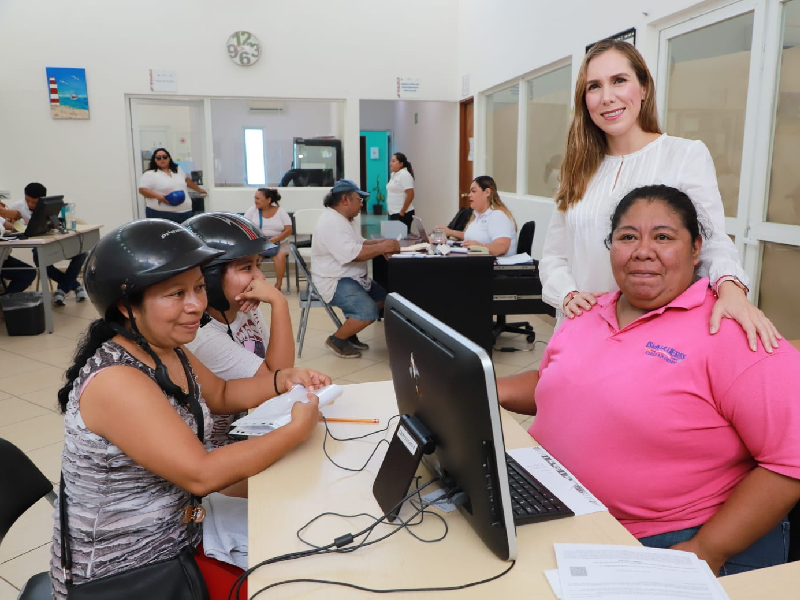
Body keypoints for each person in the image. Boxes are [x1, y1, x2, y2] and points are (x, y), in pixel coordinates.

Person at [498, 185, 800, 576]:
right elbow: (556, 383)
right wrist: (486, 384)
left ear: (696, 250)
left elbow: (789, 461)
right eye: (627, 237)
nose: (643, 251)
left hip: (669, 538)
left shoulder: (732, 331)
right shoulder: (588, 312)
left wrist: (706, 549)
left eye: (663, 237)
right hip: (557, 511)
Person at [49, 218, 329, 600]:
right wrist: (295, 430)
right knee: (301, 582)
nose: (196, 305)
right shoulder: (116, 380)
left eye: (198, 287)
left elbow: (224, 392)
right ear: (126, 305)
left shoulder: (166, 349)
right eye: (175, 294)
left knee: (302, 526)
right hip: (131, 570)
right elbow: (202, 474)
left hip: (181, 524)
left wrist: (284, 380)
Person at [540, 39, 780, 353]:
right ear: (585, 100)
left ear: (643, 88)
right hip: (582, 330)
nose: (607, 97)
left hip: (653, 336)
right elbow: (554, 256)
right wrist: (568, 294)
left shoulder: (683, 155)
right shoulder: (577, 169)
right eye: (594, 87)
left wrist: (731, 288)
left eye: (619, 81)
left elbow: (711, 241)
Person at [185, 211, 295, 452]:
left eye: (258, 264)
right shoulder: (203, 336)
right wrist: (280, 304)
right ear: (209, 280)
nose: (259, 278)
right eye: (246, 267)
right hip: (220, 448)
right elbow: (276, 378)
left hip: (252, 424)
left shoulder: (243, 306)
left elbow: (275, 371)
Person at [311, 179, 399, 358]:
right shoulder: (332, 222)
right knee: (368, 312)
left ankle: (349, 333)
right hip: (334, 279)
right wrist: (383, 247)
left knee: (384, 300)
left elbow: (359, 243)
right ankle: (337, 339)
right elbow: (353, 254)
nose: (361, 205)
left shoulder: (343, 219)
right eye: (359, 200)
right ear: (345, 200)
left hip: (349, 276)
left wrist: (380, 242)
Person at [8, 182, 88, 305]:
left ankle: (62, 288)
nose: (30, 205)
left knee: (81, 253)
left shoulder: (52, 206)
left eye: (34, 202)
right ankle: (73, 286)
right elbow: (8, 226)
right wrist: (14, 226)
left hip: (56, 241)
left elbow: (61, 225)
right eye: (27, 200)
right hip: (38, 245)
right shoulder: (16, 207)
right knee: (39, 257)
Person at [440, 175, 517, 257]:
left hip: (493, 266)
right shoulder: (477, 215)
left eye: (473, 191)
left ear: (487, 192)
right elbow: (474, 236)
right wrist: (450, 232)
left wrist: (480, 246)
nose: (469, 195)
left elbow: (502, 247)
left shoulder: (498, 216)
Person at [138, 147, 206, 223]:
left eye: (165, 157)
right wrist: (157, 196)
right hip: (161, 214)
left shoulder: (177, 169)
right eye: (158, 158)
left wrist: (199, 190)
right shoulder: (149, 174)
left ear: (169, 158)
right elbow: (142, 190)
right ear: (155, 160)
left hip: (185, 213)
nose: (162, 159)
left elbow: (187, 181)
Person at [243, 188, 293, 290]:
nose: (255, 201)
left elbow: (288, 230)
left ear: (268, 200)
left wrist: (276, 238)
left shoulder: (280, 212)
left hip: (279, 242)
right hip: (259, 243)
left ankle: (278, 285)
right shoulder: (253, 211)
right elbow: (244, 226)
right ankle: (256, 283)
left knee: (280, 256)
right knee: (254, 259)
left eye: (258, 198)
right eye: (255, 198)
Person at [0, 202, 36, 294]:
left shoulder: (1, 218)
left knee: (29, 272)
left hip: (3, 259)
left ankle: (5, 301)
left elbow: (12, 226)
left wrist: (16, 225)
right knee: (27, 273)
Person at [386, 152, 415, 232]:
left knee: (401, 240)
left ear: (401, 164)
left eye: (393, 161)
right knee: (394, 238)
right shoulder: (394, 175)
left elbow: (410, 194)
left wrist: (402, 212)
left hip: (402, 213)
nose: (390, 163)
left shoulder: (404, 175)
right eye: (391, 161)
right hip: (393, 212)